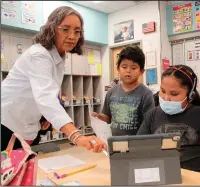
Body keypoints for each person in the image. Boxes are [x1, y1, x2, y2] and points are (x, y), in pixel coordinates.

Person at [1, 6, 105, 152]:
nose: (72, 36)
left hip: (26, 124)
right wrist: (76, 136)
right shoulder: (39, 54)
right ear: (52, 29)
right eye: (65, 29)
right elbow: (45, 97)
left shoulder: (59, 56)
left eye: (77, 31)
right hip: (6, 122)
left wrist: (44, 116)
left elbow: (45, 91)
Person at [137, 65, 200, 176]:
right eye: (162, 91)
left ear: (190, 95)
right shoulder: (152, 115)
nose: (166, 98)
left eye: (174, 94)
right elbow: (139, 151)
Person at [93, 46, 155, 136]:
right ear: (118, 69)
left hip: (136, 144)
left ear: (141, 71)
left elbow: (149, 124)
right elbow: (108, 117)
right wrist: (98, 117)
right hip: (114, 143)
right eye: (124, 67)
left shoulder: (146, 94)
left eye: (133, 68)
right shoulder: (111, 92)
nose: (128, 71)